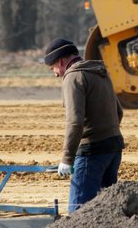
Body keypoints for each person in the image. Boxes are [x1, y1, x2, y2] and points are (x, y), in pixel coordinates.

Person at [44, 37, 124, 214]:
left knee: (78, 212)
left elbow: (75, 121)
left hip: (91, 152)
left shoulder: (73, 77)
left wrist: (67, 159)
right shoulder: (100, 72)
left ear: (61, 61)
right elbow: (119, 111)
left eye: (53, 68)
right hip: (114, 147)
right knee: (105, 211)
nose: (56, 73)